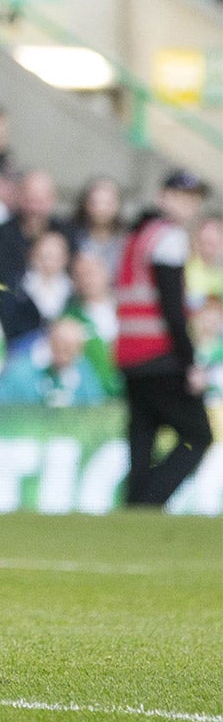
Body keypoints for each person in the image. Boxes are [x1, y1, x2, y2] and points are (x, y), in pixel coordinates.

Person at [116, 171, 214, 508]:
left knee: (142, 439)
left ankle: (134, 507)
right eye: (181, 196)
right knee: (198, 436)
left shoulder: (138, 234)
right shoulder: (168, 238)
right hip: (160, 355)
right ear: (163, 196)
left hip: (130, 354)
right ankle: (148, 503)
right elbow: (173, 309)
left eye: (194, 198)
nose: (189, 205)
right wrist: (190, 364)